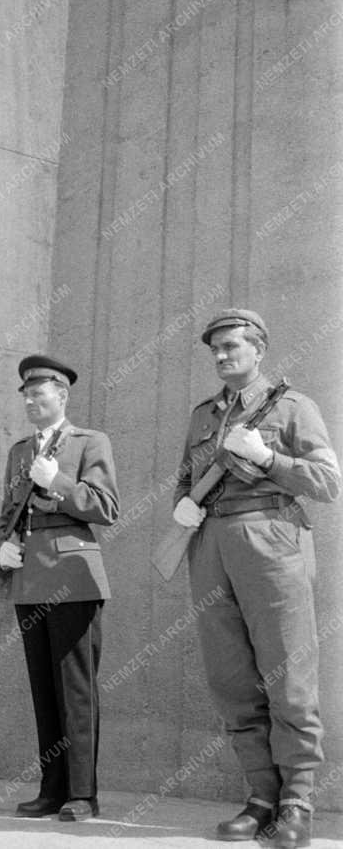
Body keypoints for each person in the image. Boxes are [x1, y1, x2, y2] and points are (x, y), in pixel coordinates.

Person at [172, 309, 340, 848]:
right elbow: (186, 477)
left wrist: (268, 457)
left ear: (259, 349)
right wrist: (181, 506)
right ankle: (261, 795)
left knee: (288, 674)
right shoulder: (203, 416)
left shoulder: (294, 406)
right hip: (211, 544)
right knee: (231, 679)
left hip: (273, 538)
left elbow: (327, 481)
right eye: (216, 350)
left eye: (232, 347)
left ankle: (297, 801)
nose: (222, 356)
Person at [0, 355, 119, 821]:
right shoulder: (19, 451)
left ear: (62, 396)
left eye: (38, 393)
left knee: (76, 688)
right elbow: (8, 512)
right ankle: (52, 788)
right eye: (26, 394)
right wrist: (1, 545)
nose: (30, 400)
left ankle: (83, 794)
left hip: (73, 576)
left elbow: (107, 506)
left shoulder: (90, 442)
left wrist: (60, 482)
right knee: (44, 689)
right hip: (29, 578)